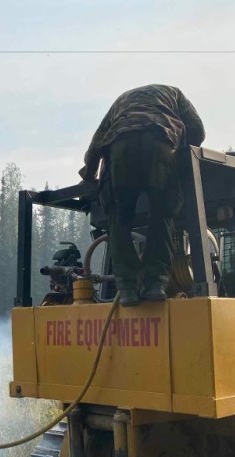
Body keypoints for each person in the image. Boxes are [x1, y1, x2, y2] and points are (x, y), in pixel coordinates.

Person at [79, 84, 205, 306]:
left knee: (119, 220)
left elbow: (98, 140)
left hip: (120, 146)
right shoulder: (173, 94)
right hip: (160, 141)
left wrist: (89, 176)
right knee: (162, 216)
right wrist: (183, 156)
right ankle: (156, 284)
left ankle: (127, 288)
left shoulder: (121, 101)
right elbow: (197, 130)